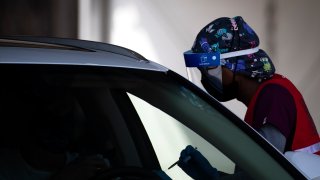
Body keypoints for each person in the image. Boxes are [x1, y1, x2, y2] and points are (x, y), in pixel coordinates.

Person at [178, 16, 320, 179]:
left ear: (233, 64)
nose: (206, 78)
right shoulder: (266, 96)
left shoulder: (274, 95)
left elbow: (265, 170)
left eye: (210, 70)